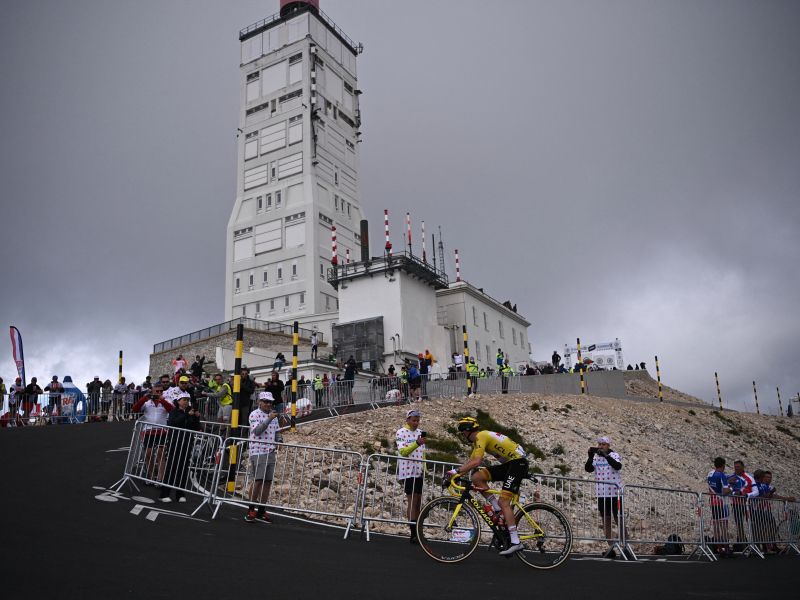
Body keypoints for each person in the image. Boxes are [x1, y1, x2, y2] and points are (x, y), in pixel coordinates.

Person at [448, 416, 530, 556]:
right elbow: (471, 462)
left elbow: (477, 462)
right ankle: (497, 509)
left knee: (504, 501)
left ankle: (516, 542)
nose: (463, 435)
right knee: (476, 477)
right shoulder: (479, 440)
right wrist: (454, 476)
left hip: (518, 463)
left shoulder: (481, 436)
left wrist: (454, 471)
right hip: (510, 464)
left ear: (467, 430)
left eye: (463, 432)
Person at [585, 436, 626, 558]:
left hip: (615, 493)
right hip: (601, 494)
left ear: (608, 445)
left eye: (603, 444)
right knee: (606, 520)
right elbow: (588, 469)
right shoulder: (596, 457)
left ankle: (626, 546)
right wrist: (590, 456)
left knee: (619, 519)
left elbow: (618, 466)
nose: (601, 446)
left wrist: (606, 456)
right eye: (599, 444)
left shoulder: (614, 455)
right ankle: (611, 547)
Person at [245, 392, 280, 523]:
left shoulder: (274, 416)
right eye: (265, 401)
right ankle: (251, 509)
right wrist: (269, 418)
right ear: (259, 402)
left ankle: (261, 509)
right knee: (258, 480)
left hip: (270, 451)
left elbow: (277, 432)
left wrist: (279, 440)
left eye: (270, 402)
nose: (268, 404)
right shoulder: (254, 414)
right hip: (258, 451)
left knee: (267, 482)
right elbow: (257, 431)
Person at [132, 382, 174, 487]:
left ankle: (160, 479)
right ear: (152, 391)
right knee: (148, 454)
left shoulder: (167, 400)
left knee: (160, 454)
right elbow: (135, 409)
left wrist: (162, 400)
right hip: (148, 431)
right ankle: (150, 477)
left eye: (161, 391)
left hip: (162, 431)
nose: (159, 393)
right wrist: (144, 398)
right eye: (157, 391)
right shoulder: (147, 402)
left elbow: (172, 411)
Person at [162, 391, 201, 503]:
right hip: (174, 443)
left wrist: (196, 417)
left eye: (188, 400)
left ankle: (180, 494)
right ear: (178, 401)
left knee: (183, 468)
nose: (186, 402)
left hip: (187, 443)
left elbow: (196, 428)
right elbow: (173, 423)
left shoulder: (190, 412)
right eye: (184, 400)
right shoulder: (174, 411)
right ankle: (164, 493)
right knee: (171, 468)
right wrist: (186, 415)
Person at [396, 409, 426, 543]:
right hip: (407, 471)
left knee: (418, 501)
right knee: (412, 500)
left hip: (419, 471)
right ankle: (413, 534)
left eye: (417, 420)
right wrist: (417, 443)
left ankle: (418, 531)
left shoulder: (420, 432)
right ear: (407, 420)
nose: (416, 423)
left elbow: (423, 452)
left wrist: (425, 468)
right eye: (413, 420)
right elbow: (403, 451)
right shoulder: (401, 432)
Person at [706, 457, 733, 556]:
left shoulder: (710, 473)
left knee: (716, 526)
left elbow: (714, 485)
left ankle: (719, 549)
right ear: (723, 465)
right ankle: (726, 549)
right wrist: (731, 487)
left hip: (713, 502)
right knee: (724, 527)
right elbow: (725, 491)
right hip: (721, 503)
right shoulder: (722, 475)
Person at [728, 460, 755, 550]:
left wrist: (747, 495)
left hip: (748, 504)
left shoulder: (749, 477)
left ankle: (755, 543)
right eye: (735, 467)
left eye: (738, 467)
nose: (736, 469)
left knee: (752, 523)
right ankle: (743, 543)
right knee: (739, 524)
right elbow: (727, 490)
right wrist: (734, 492)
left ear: (743, 467)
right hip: (736, 504)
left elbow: (756, 491)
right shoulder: (731, 477)